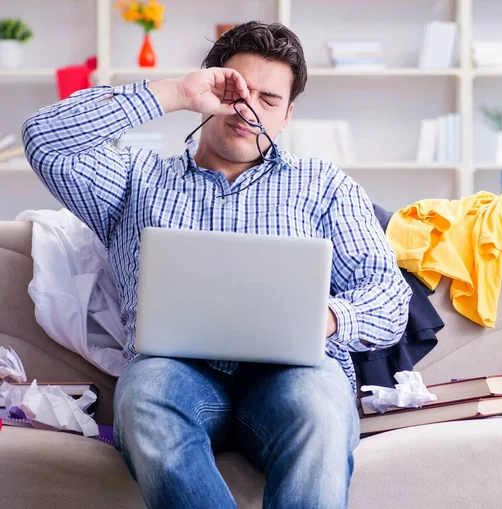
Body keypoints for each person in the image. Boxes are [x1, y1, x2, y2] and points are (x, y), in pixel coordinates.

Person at [22, 21, 412, 509]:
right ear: (211, 87)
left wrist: (329, 318)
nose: (249, 110)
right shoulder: (135, 179)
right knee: (145, 399)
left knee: (321, 409)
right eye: (236, 91)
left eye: (269, 100)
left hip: (293, 375)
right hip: (173, 374)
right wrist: (172, 93)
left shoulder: (325, 186)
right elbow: (44, 138)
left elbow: (389, 296)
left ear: (288, 115)